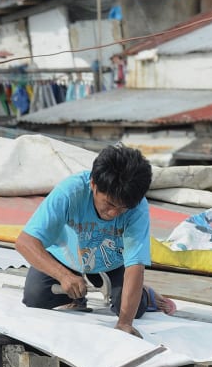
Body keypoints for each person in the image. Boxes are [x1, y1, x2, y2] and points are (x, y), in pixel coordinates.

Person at [15, 144, 177, 338]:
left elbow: (135, 265)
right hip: (67, 258)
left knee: (133, 309)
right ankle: (76, 296)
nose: (114, 213)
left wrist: (124, 324)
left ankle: (147, 294)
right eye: (109, 204)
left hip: (112, 262)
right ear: (93, 184)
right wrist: (64, 276)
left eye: (122, 208)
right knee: (35, 298)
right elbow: (25, 241)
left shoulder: (138, 208)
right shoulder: (70, 192)